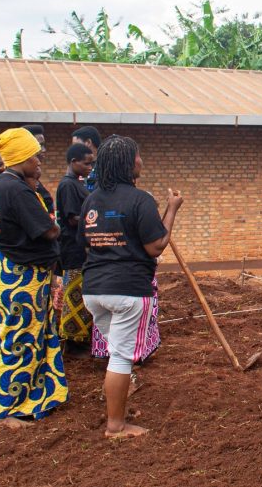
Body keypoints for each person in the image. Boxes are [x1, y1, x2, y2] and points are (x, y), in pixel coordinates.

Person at [81, 135, 183, 437]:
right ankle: (115, 425)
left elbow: (84, 244)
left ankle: (118, 405)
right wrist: (172, 208)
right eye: (138, 156)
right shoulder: (140, 200)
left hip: (94, 290)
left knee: (116, 353)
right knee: (122, 356)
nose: (142, 161)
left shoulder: (91, 200)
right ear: (128, 163)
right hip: (127, 290)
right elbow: (156, 246)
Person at [0, 127, 67, 427]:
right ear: (22, 157)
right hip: (22, 276)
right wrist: (55, 224)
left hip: (16, 269)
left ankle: (34, 398)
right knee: (18, 339)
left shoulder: (3, 185)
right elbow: (48, 230)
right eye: (35, 156)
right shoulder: (16, 189)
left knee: (33, 337)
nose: (39, 161)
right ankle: (7, 412)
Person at [56, 143, 95, 349]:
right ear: (73, 162)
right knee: (74, 294)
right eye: (86, 163)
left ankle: (81, 339)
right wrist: (96, 222)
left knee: (81, 293)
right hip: (73, 248)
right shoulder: (68, 185)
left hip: (80, 248)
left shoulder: (77, 183)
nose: (90, 167)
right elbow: (72, 219)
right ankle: (73, 343)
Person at [21, 124, 55, 219]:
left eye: (44, 145)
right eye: (39, 145)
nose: (44, 150)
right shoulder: (21, 181)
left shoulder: (34, 176)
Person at [72, 125, 102, 191]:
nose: (73, 149)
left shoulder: (106, 167)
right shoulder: (76, 166)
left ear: (88, 142)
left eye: (76, 145)